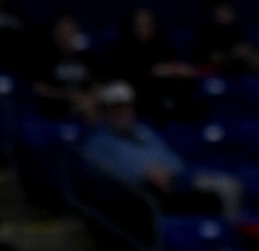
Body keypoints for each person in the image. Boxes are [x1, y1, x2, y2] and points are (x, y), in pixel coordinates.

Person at [80, 82, 240, 219]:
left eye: (125, 106)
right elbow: (103, 172)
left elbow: (175, 160)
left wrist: (165, 172)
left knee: (216, 194)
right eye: (115, 108)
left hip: (169, 188)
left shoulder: (145, 133)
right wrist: (145, 174)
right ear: (106, 112)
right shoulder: (98, 142)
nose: (121, 112)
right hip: (134, 197)